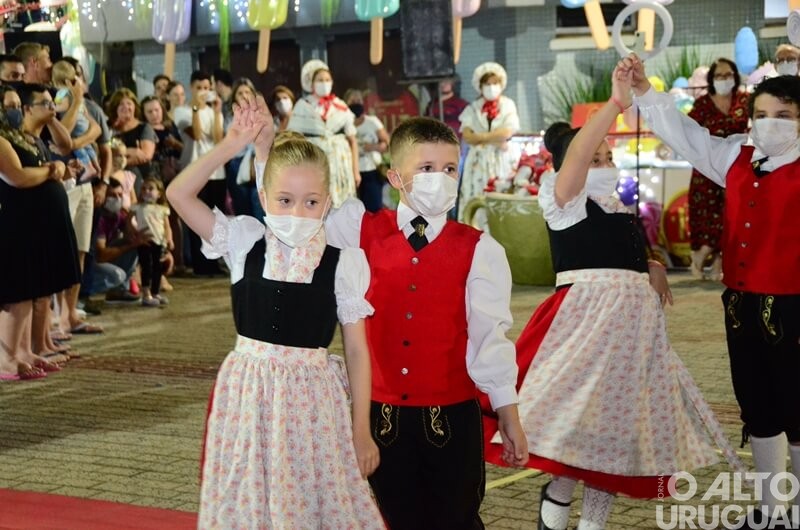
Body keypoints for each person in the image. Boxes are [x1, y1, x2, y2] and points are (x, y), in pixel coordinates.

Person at [167, 93, 384, 529]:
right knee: (248, 498)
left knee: (310, 500)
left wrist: (361, 428)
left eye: (310, 202)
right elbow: (178, 193)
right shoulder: (244, 241)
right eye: (285, 200)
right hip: (247, 395)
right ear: (264, 198)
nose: (297, 212)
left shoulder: (343, 262)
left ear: (327, 202)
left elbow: (358, 351)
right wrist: (232, 144)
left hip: (313, 401)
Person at [622, 52, 800, 529]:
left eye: (784, 115)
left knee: (798, 412)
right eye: (762, 114)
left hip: (794, 307)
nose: (771, 123)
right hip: (741, 305)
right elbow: (685, 135)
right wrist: (644, 91)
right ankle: (771, 512)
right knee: (758, 408)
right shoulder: (735, 155)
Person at [323, 117, 528, 530]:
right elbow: (297, 209)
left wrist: (509, 413)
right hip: (383, 418)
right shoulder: (358, 229)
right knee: (397, 519)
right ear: (395, 177)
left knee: (458, 519)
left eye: (450, 168)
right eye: (427, 168)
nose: (440, 178)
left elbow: (490, 338)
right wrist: (263, 148)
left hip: (451, 417)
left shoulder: (479, 248)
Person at [0, 89, 80, 379]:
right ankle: (6, 358)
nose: (15, 110)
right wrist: (50, 171)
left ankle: (23, 352)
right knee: (16, 292)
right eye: (9, 105)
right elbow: (18, 176)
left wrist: (53, 170)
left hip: (30, 222)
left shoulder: (20, 137)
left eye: (17, 104)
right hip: (12, 220)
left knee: (28, 291)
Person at [687, 58, 749, 280]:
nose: (724, 79)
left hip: (736, 168)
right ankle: (699, 259)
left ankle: (719, 265)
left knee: (731, 216)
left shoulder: (745, 100)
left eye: (728, 74)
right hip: (707, 168)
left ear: (735, 77)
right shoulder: (702, 104)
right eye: (719, 75)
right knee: (707, 218)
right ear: (712, 79)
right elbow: (690, 132)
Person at [173, 70, 225, 276]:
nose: (203, 91)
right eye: (199, 88)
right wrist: (195, 108)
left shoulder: (213, 112)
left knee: (214, 219)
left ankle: (214, 262)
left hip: (215, 172)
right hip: (194, 171)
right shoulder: (182, 111)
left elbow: (218, 138)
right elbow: (195, 134)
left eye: (206, 88)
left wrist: (217, 112)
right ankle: (200, 264)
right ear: (191, 88)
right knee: (196, 218)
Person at [288, 60, 359, 208]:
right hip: (314, 162)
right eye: (320, 80)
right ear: (312, 83)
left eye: (327, 80)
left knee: (342, 206)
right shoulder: (303, 106)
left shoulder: (340, 105)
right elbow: (293, 139)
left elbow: (353, 140)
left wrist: (355, 171)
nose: (324, 83)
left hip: (340, 164)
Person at [458, 62, 520, 220]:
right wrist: (493, 138)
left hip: (502, 159)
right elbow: (467, 136)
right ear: (480, 86)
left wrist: (480, 138)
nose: (491, 87)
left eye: (495, 83)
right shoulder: (473, 108)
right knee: (476, 200)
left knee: (501, 197)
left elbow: (507, 132)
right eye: (487, 84)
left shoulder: (508, 105)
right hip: (478, 162)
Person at [51, 59, 101, 178]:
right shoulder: (75, 93)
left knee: (79, 147)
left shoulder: (62, 92)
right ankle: (96, 166)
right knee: (87, 146)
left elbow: (64, 106)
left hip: (77, 124)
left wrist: (53, 107)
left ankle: (88, 167)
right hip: (84, 122)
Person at [344, 89, 389, 213]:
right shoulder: (343, 125)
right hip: (350, 173)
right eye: (352, 101)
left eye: (358, 100)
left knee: (374, 211)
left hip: (372, 172)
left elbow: (387, 143)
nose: (356, 103)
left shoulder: (372, 121)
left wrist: (374, 147)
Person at [131, 178, 172, 307]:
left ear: (159, 193)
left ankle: (155, 292)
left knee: (157, 267)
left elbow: (167, 226)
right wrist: (135, 233)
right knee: (146, 266)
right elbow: (128, 221)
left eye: (150, 189)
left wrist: (169, 239)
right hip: (145, 241)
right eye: (144, 189)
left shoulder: (162, 209)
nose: (146, 191)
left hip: (159, 241)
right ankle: (146, 293)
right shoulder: (137, 207)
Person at [107, 88, 157, 186]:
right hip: (112, 179)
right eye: (121, 104)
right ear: (115, 108)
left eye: (129, 103)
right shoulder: (108, 127)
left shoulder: (144, 128)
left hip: (140, 178)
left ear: (135, 107)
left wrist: (117, 159)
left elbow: (145, 155)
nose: (126, 107)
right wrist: (131, 151)